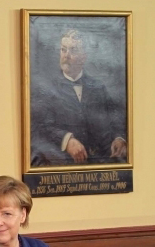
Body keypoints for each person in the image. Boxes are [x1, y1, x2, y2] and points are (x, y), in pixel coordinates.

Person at [31, 29, 127, 166]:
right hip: (63, 166)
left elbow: (116, 118)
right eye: (63, 50)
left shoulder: (98, 87)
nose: (66, 55)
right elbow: (39, 128)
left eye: (73, 50)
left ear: (84, 57)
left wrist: (119, 138)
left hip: (102, 165)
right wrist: (66, 140)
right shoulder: (46, 89)